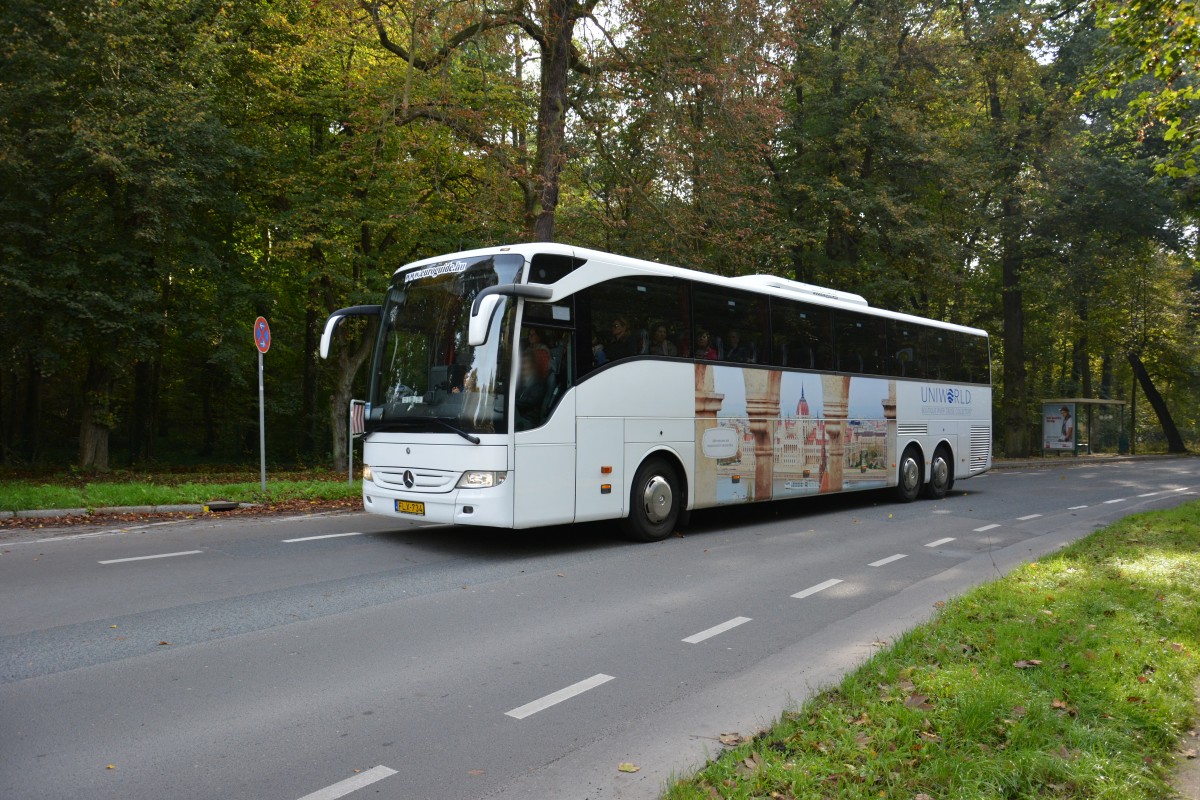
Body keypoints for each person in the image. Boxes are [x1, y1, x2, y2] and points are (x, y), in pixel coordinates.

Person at [515, 353, 547, 430]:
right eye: (523, 362)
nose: (524, 365)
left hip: (529, 419)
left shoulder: (539, 382)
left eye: (526, 362)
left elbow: (530, 403)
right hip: (519, 414)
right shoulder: (524, 380)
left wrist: (513, 402)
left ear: (532, 364)